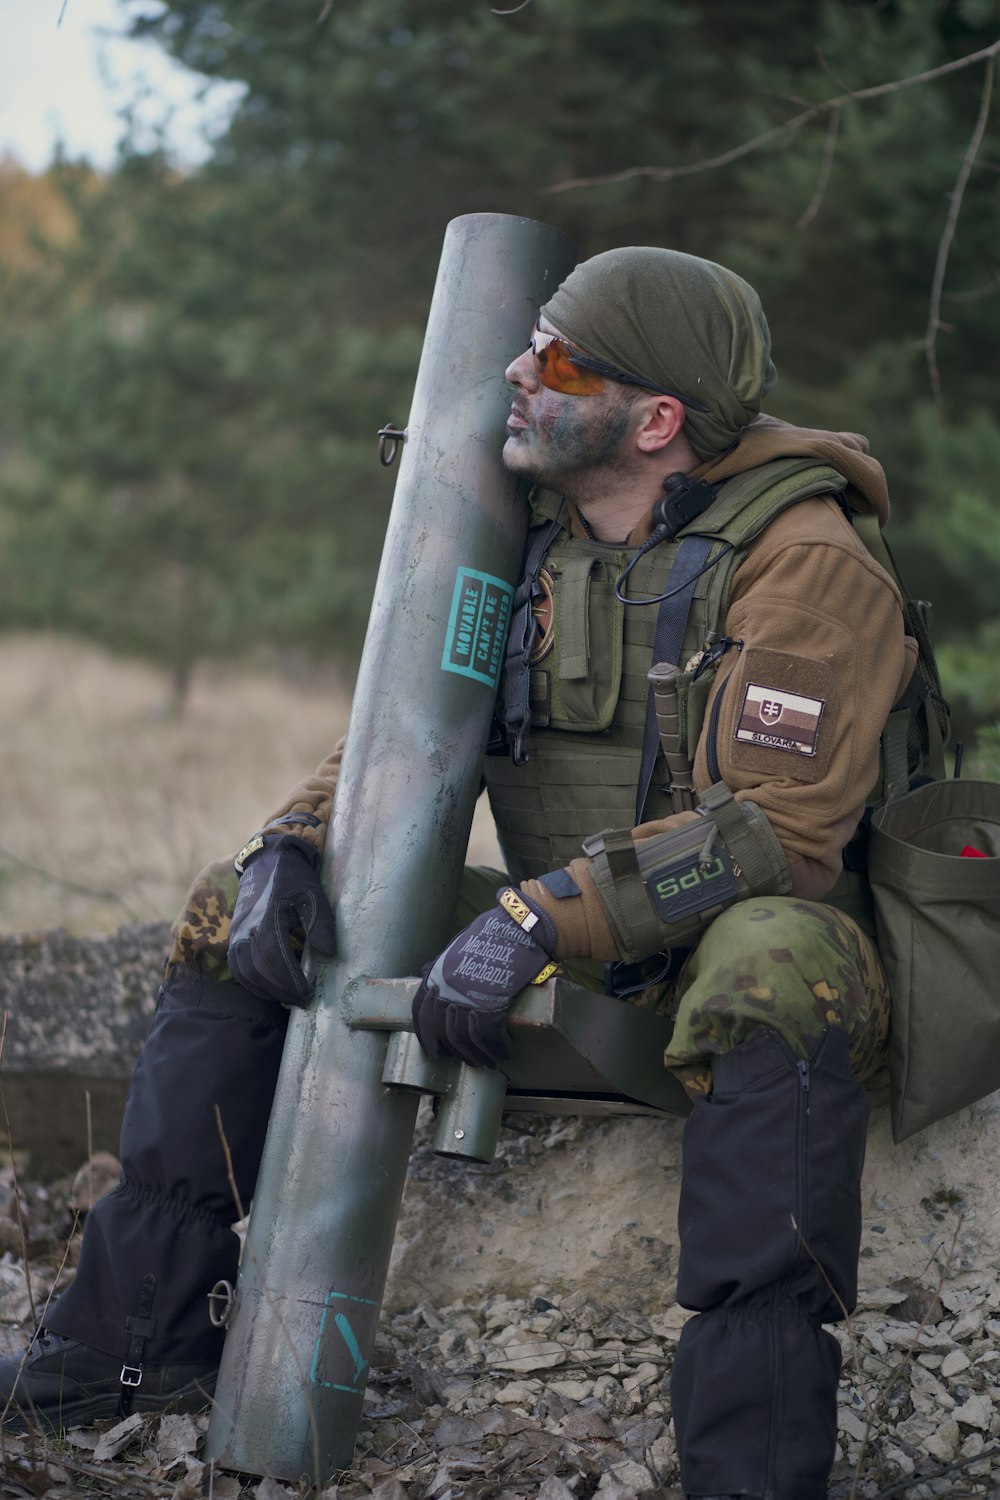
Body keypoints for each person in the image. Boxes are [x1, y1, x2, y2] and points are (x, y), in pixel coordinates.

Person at [0, 247, 915, 1500]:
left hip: (758, 941)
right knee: (231, 907)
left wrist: (545, 916)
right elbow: (395, 737)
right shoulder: (518, 540)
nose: (516, 373)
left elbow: (779, 834)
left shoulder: (807, 559)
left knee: (770, 965)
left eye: (562, 360)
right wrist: (292, 843)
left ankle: (752, 1461)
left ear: (657, 421)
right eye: (529, 341)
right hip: (582, 930)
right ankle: (130, 1350)